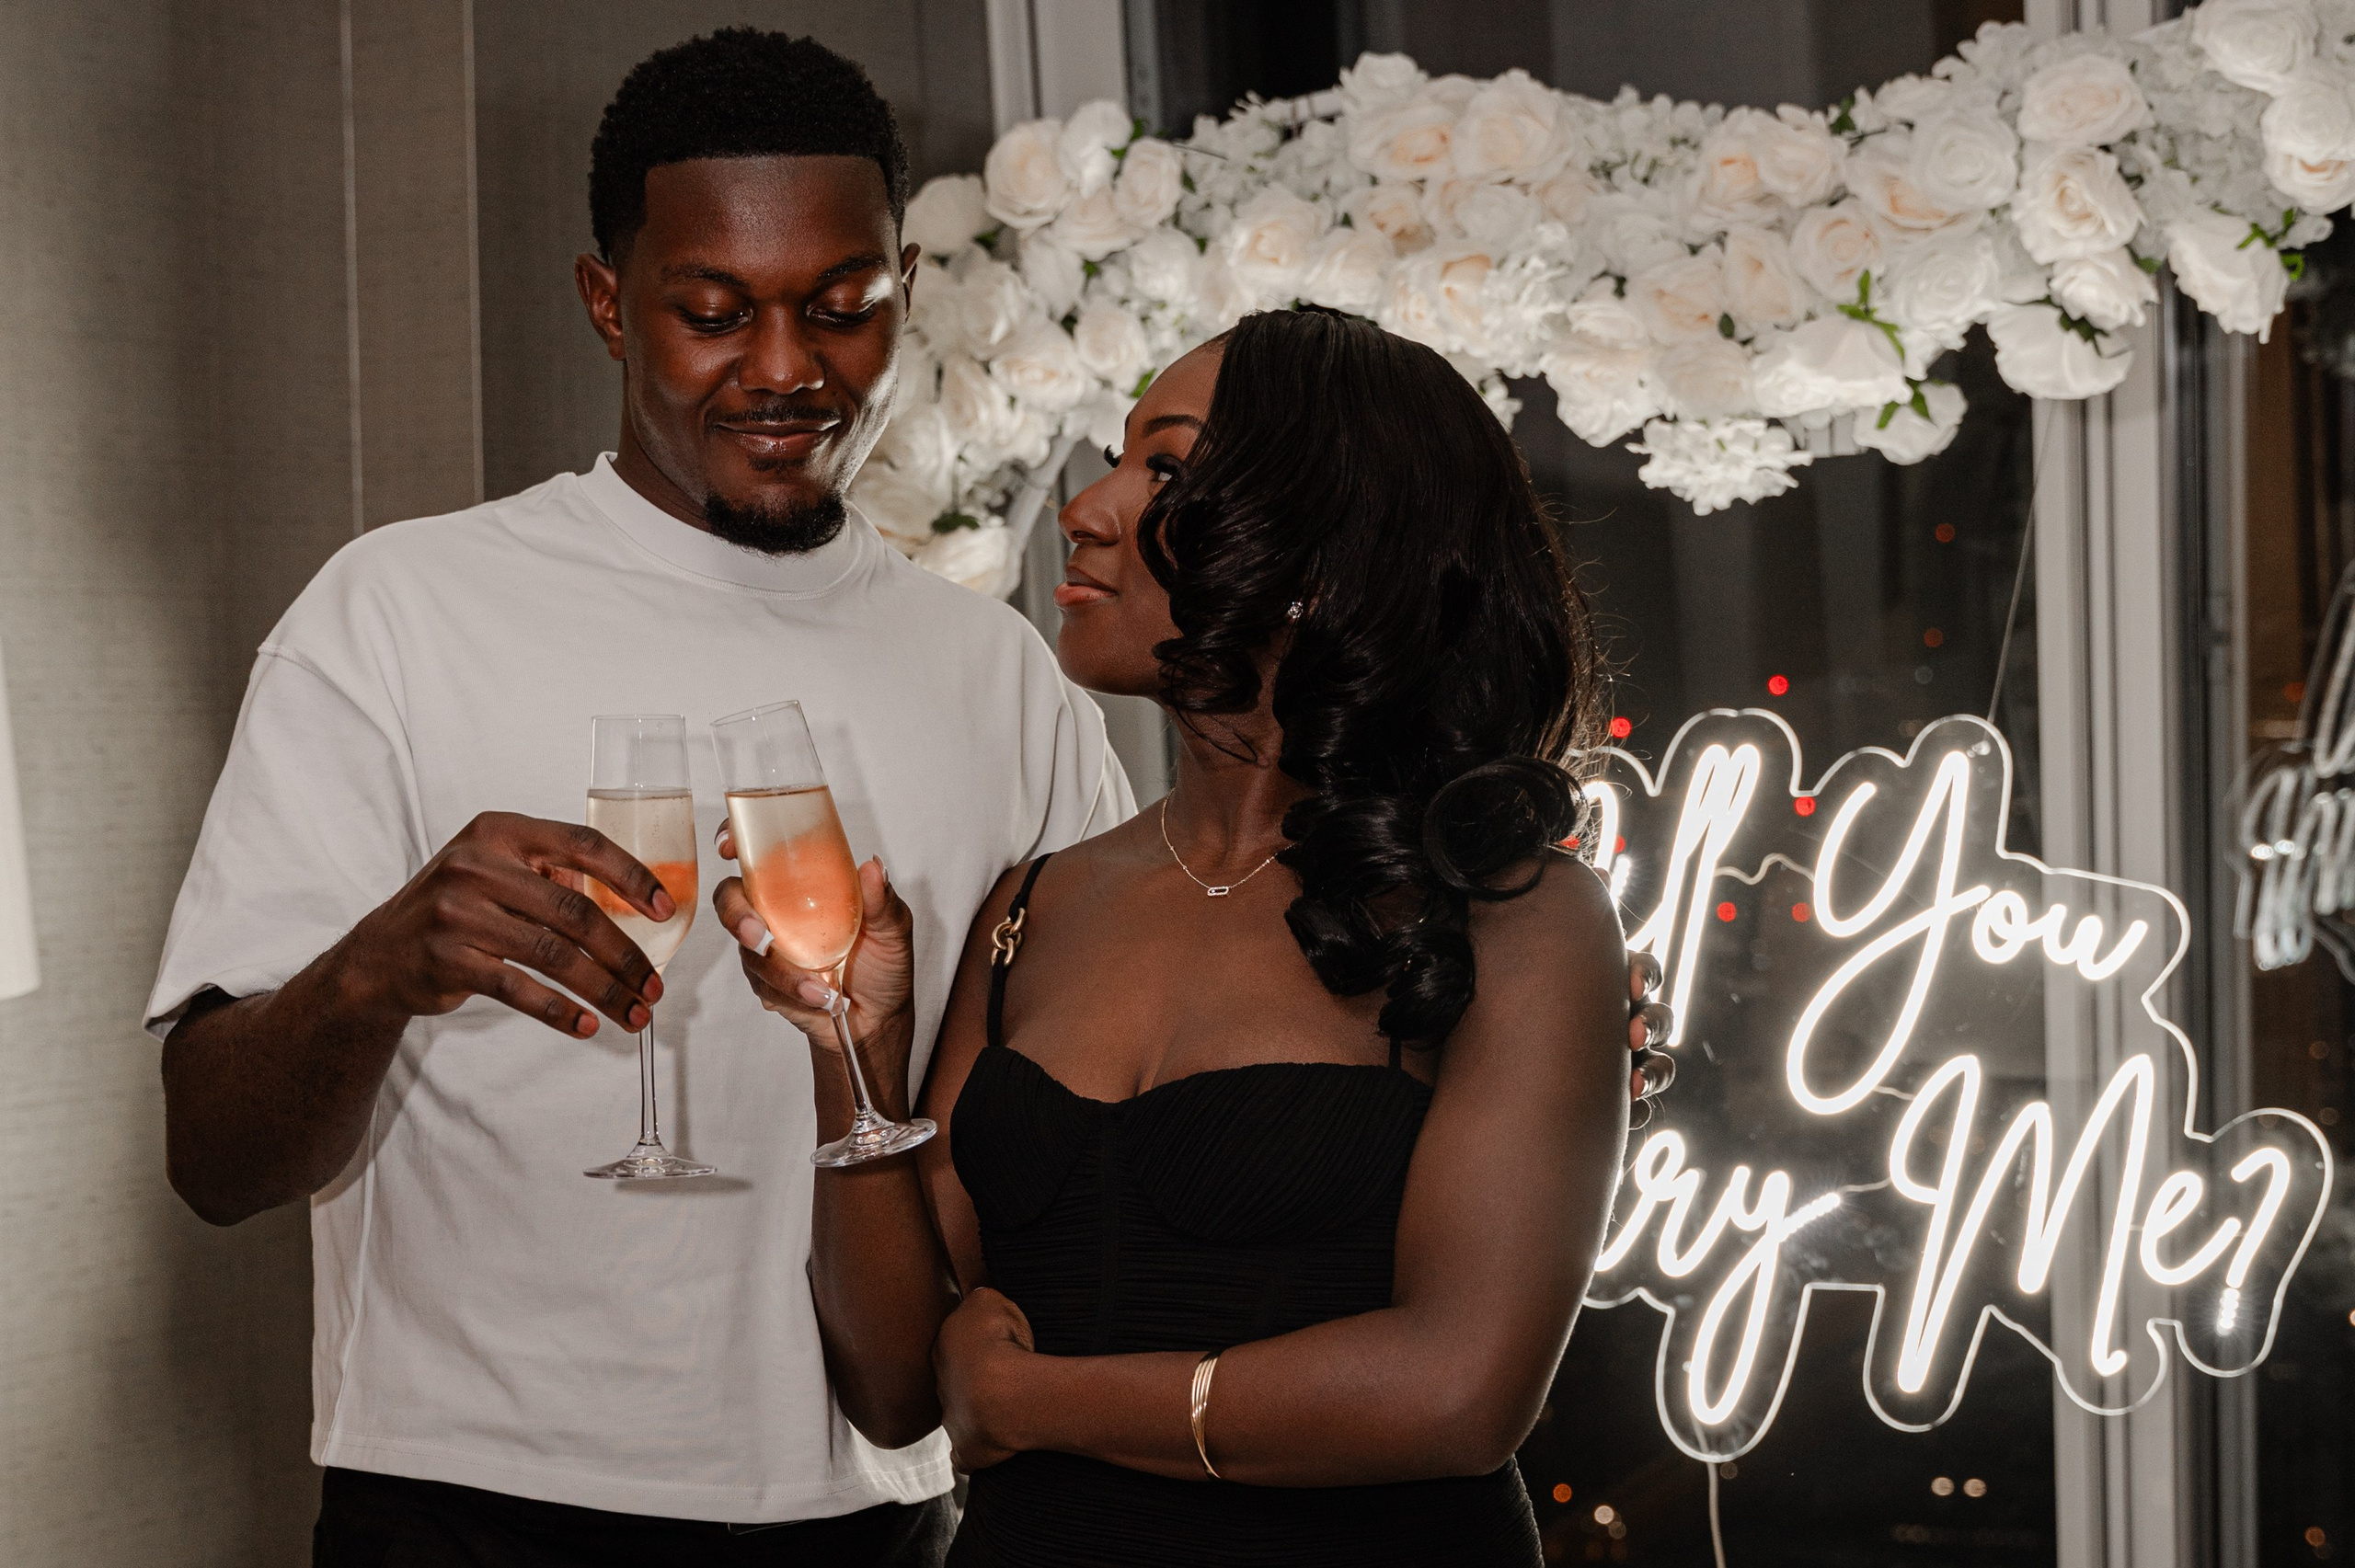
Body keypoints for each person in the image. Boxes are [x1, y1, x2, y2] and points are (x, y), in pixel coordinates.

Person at [145, 30, 1132, 1566]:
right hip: (469, 1507)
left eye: (843, 307)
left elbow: (1077, 1144)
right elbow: (212, 1155)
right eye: (715, 313)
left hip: (878, 1518)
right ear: (611, 303)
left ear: (903, 296)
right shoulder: (394, 615)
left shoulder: (1005, 684)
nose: (790, 368)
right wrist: (378, 966)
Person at [713, 306, 1668, 1566]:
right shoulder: (1032, 905)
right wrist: (850, 1037)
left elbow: (1459, 1393)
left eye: (1161, 467)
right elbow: (895, 1385)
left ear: (1326, 547)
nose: (1090, 507)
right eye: (1115, 458)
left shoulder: (1518, 915)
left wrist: (1037, 1399)